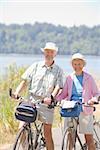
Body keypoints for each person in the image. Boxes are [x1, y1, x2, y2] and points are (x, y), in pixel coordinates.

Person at [13, 42, 63, 150]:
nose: (48, 54)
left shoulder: (58, 70)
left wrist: (51, 97)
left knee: (47, 134)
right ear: (44, 52)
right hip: (31, 101)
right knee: (21, 128)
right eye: (46, 51)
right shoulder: (35, 65)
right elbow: (25, 81)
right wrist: (17, 92)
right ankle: (26, 148)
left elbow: (58, 86)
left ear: (55, 54)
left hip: (46, 103)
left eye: (51, 52)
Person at [56, 53, 100, 150]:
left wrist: (93, 100)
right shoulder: (69, 78)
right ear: (72, 65)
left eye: (79, 64)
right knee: (70, 138)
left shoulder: (89, 78)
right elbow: (63, 94)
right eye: (75, 64)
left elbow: (97, 93)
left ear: (83, 65)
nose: (77, 66)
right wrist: (57, 100)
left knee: (89, 138)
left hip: (85, 108)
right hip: (71, 108)